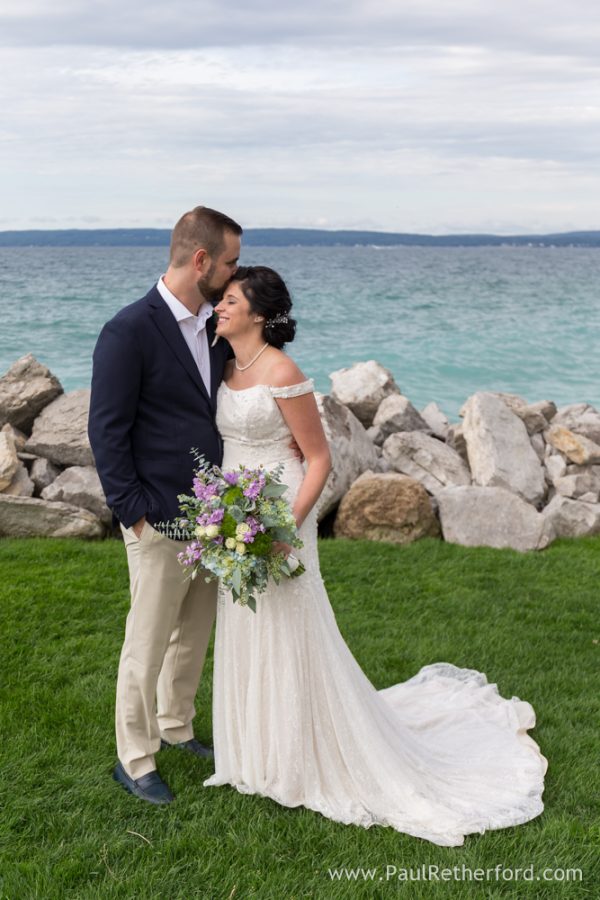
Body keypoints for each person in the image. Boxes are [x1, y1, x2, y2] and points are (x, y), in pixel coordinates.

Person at [204, 265, 548, 846]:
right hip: (235, 508)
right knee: (245, 616)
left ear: (259, 314)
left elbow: (318, 458)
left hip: (282, 509)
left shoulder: (284, 371)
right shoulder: (226, 365)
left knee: (290, 621)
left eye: (230, 300)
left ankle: (300, 752)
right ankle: (253, 751)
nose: (219, 307)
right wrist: (222, 510)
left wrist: (287, 525)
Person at [88, 206, 242, 805]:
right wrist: (133, 512)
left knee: (194, 630)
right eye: (230, 262)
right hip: (155, 514)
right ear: (200, 260)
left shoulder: (214, 324)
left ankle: (177, 727)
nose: (236, 275)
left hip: (211, 515)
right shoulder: (129, 330)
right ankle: (134, 757)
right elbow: (107, 431)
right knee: (146, 640)